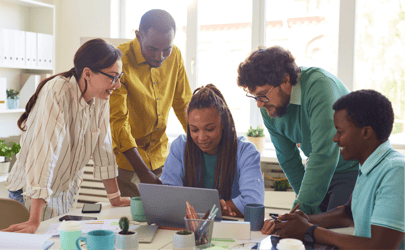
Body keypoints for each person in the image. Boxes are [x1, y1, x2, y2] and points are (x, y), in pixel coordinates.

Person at [3, 38, 130, 234]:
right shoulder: (58, 91)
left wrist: (115, 197)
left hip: (63, 193)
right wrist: (34, 220)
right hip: (31, 195)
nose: (118, 84)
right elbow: (45, 152)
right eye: (113, 77)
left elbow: (103, 147)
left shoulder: (100, 97)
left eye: (119, 76)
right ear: (88, 73)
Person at [263, 90, 405, 249]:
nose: (335, 139)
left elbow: (380, 247)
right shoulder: (370, 165)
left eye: (340, 131)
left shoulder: (395, 171)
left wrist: (310, 230)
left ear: (366, 132)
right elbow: (348, 213)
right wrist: (307, 220)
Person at [237, 46, 359, 215]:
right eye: (255, 97)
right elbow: (288, 159)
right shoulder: (268, 106)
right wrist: (303, 211)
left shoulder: (319, 86)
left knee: (333, 229)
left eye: (263, 94)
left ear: (286, 80)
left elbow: (324, 154)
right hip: (317, 169)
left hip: (350, 169)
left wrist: (300, 210)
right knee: (308, 227)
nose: (259, 104)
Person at [110, 9, 192, 197]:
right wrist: (142, 171)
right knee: (132, 222)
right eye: (152, 49)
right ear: (139, 36)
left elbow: (183, 104)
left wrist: (203, 143)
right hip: (129, 163)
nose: (160, 56)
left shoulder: (175, 56)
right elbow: (118, 122)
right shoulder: (119, 60)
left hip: (161, 158)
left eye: (166, 49)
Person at [161, 84, 265, 218]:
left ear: (223, 123)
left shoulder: (246, 152)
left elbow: (253, 203)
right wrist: (217, 208)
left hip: (233, 231)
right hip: (189, 230)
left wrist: (207, 210)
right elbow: (168, 197)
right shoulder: (180, 147)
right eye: (194, 130)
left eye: (209, 129)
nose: (202, 137)